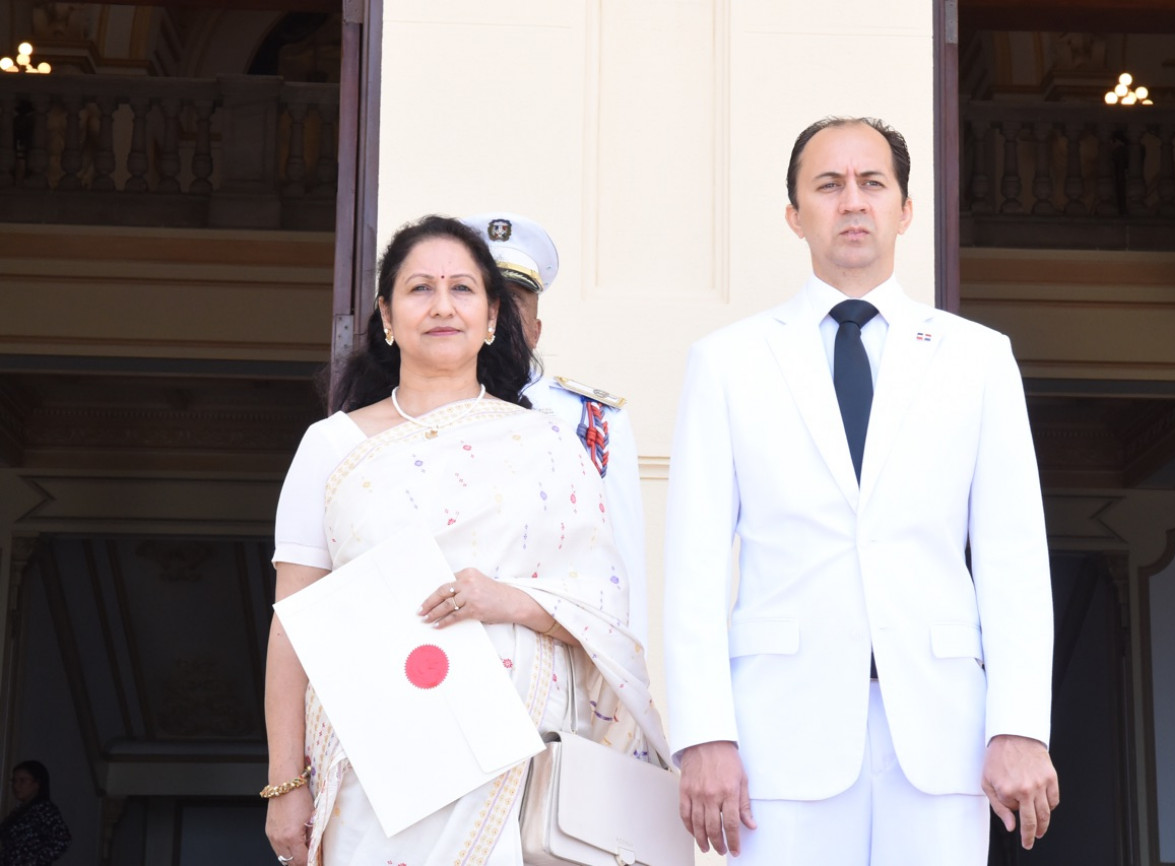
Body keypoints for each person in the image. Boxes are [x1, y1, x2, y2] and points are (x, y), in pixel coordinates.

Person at [663, 117, 1059, 865]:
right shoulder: (728, 362)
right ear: (794, 215)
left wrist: (1018, 724)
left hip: (944, 731)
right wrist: (705, 733)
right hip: (779, 732)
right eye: (828, 185)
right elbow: (694, 565)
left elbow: (1013, 558)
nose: (852, 201)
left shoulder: (978, 358)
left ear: (904, 210)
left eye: (872, 183)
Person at [263, 215, 669, 866]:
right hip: (379, 772)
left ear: (491, 317)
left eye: (462, 288)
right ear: (387, 316)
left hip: (519, 765)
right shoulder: (332, 446)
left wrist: (506, 601)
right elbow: (294, 623)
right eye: (420, 288)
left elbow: (605, 615)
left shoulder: (549, 445)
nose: (442, 306)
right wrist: (286, 783)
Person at [461, 212, 649, 647]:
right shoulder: (417, 407)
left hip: (553, 653)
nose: (498, 316)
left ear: (536, 330)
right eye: (486, 298)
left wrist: (625, 672)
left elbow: (623, 568)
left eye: (513, 302)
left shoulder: (592, 419)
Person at [1, 761, 70, 866]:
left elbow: (62, 840)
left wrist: (34, 862)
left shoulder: (45, 810)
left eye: (22, 781)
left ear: (37, 783)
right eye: (14, 781)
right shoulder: (20, 810)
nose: (16, 786)